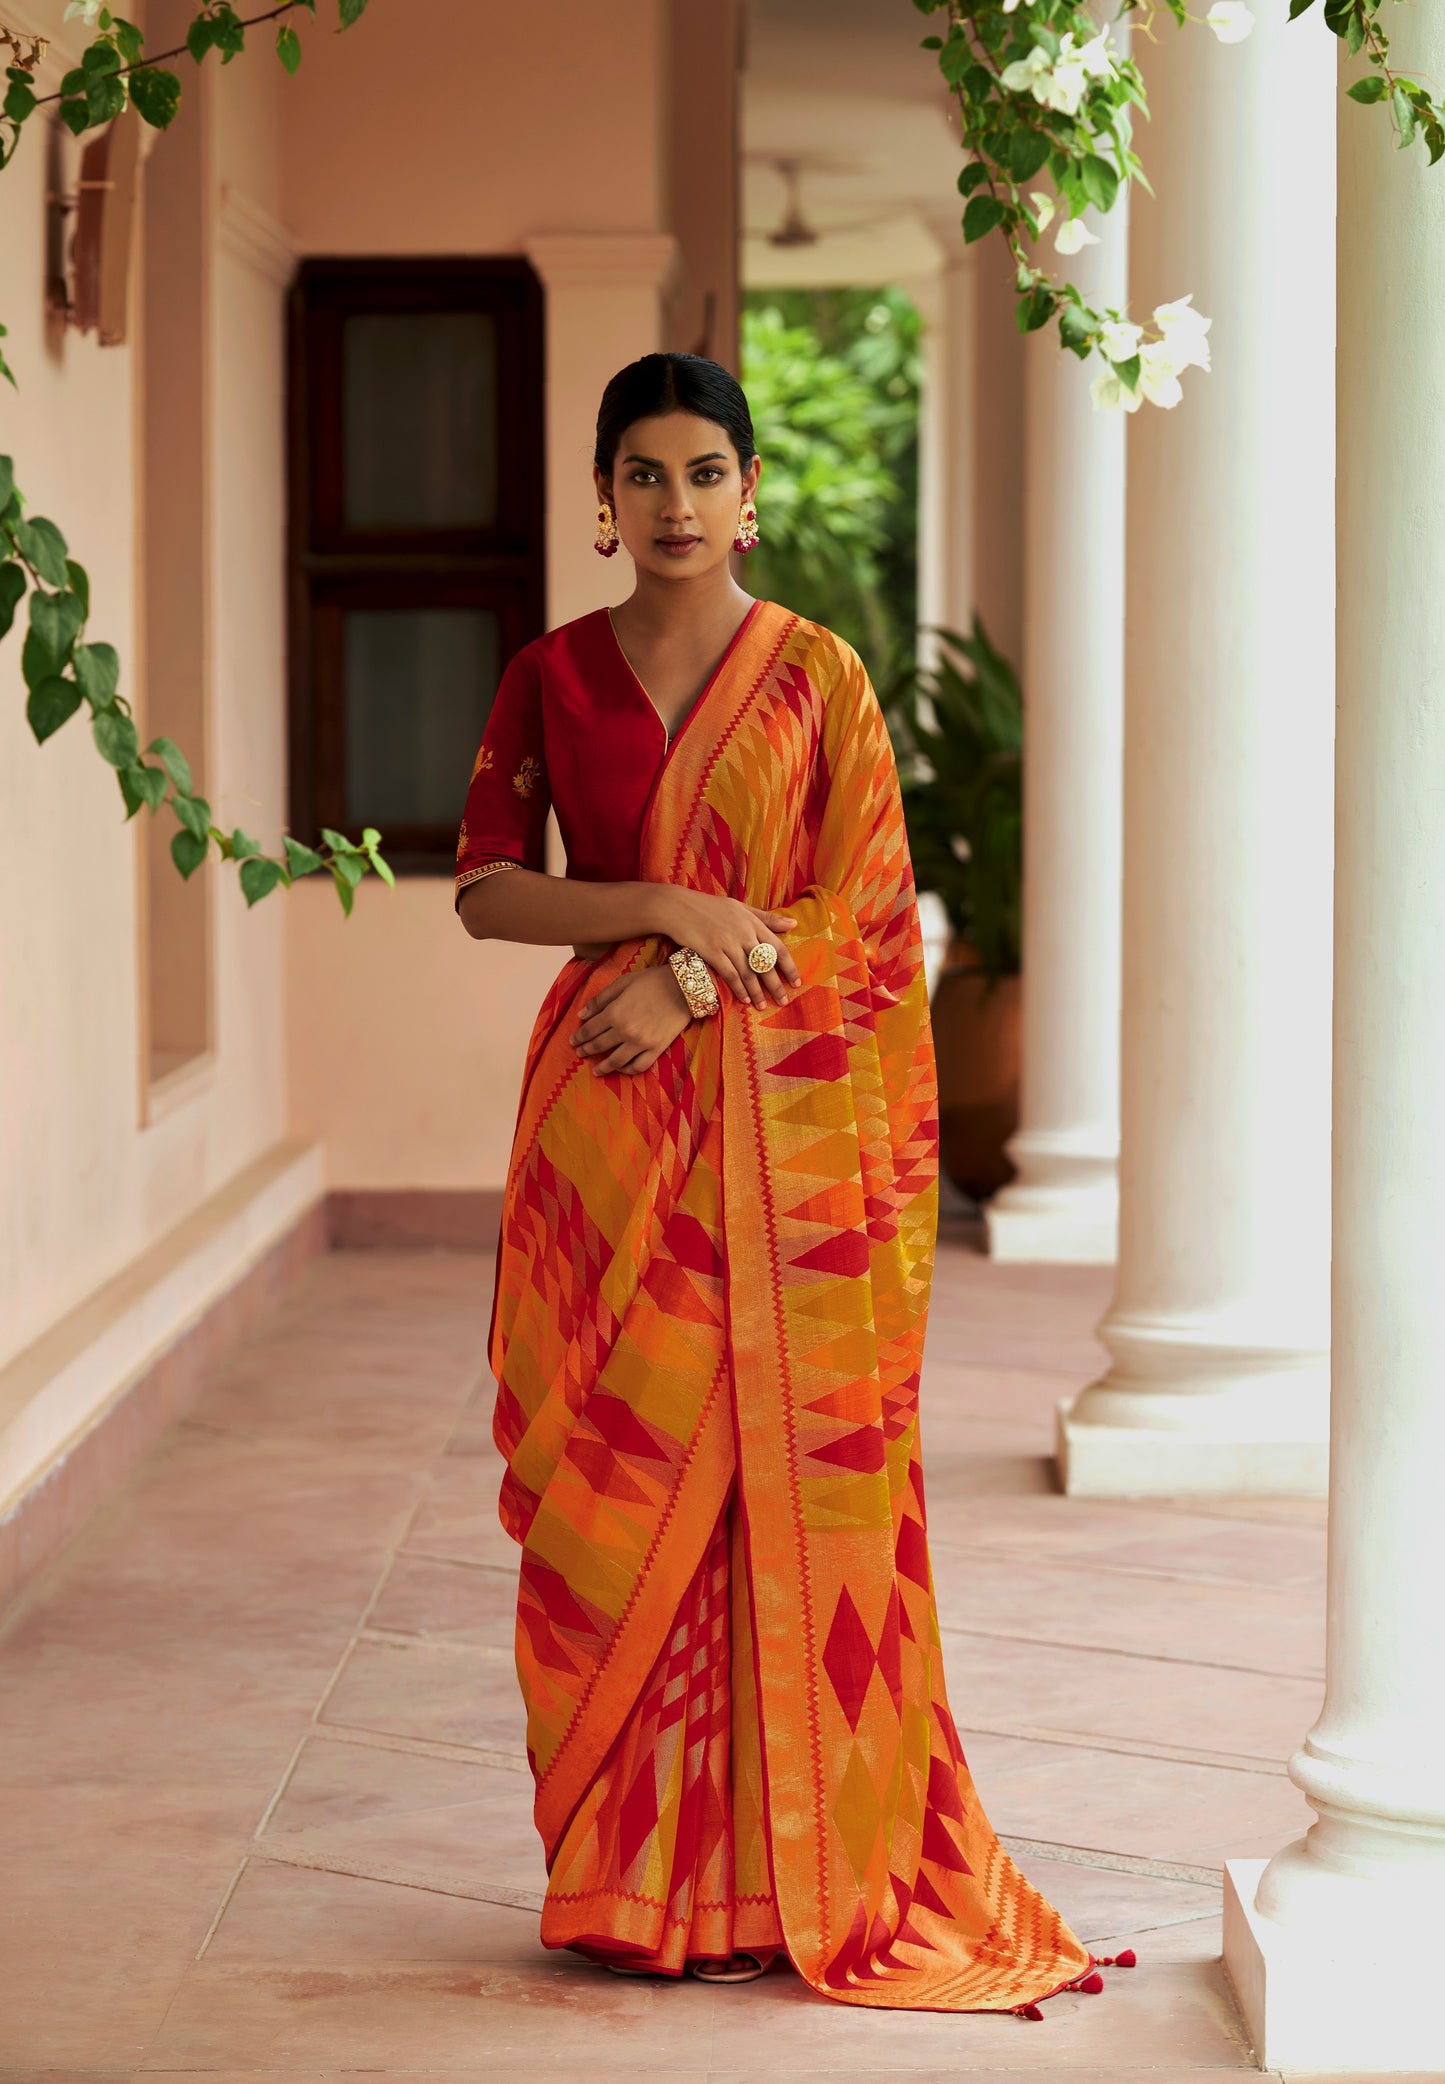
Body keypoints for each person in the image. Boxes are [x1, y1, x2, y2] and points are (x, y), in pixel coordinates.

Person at [455, 352, 1115, 2014]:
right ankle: (627, 1889)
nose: (674, 504)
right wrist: (665, 914)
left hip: (779, 1146)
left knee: (768, 1483)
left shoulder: (817, 680)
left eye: (703, 473)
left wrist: (688, 971)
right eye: (643, 475)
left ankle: (776, 1875)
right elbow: (482, 890)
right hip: (603, 1136)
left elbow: (870, 923)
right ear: (599, 502)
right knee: (604, 1497)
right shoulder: (548, 677)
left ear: (751, 493)